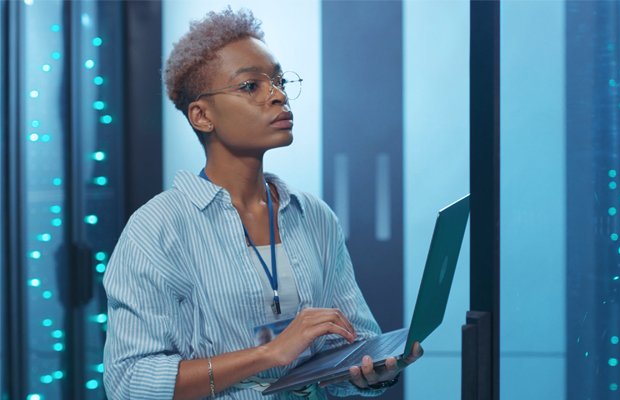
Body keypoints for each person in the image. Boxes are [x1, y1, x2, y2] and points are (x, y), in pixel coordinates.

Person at [102, 7, 422, 400]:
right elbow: (130, 382)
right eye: (251, 86)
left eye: (280, 81)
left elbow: (350, 346)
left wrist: (371, 372)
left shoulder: (314, 217)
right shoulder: (157, 229)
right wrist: (268, 353)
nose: (279, 95)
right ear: (202, 116)